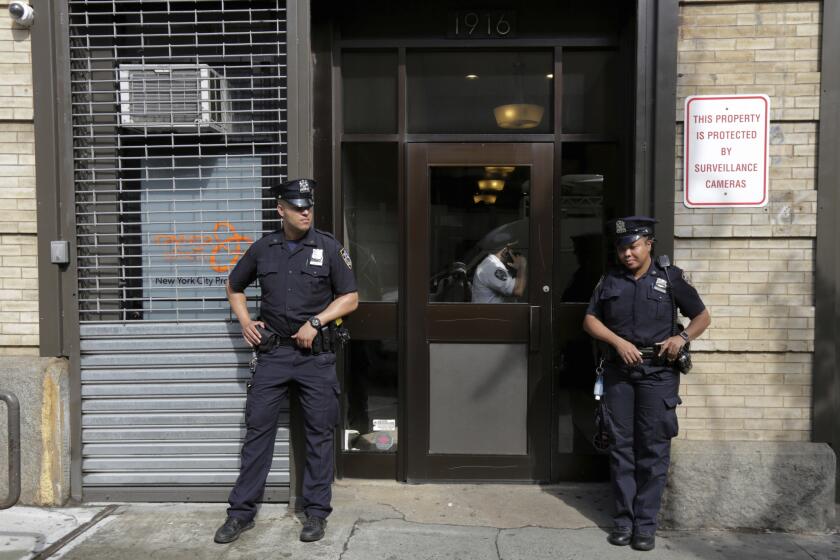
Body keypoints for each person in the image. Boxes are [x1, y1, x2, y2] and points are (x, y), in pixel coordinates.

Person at [214, 178, 359, 545]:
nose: (305, 211)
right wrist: (246, 322)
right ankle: (240, 514)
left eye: (309, 205)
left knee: (318, 436)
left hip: (316, 358)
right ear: (281, 210)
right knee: (257, 433)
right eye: (297, 207)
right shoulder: (264, 249)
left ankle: (315, 513)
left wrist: (316, 321)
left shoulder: (328, 248)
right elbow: (234, 286)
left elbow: (351, 298)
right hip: (273, 355)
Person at [582, 216, 710, 552]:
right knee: (621, 448)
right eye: (622, 248)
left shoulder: (671, 278)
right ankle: (623, 521)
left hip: (658, 374)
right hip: (620, 373)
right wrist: (617, 342)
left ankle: (646, 525)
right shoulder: (609, 280)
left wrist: (681, 337)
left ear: (649, 243)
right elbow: (590, 320)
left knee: (653, 450)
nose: (627, 254)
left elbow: (702, 317)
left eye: (633, 246)